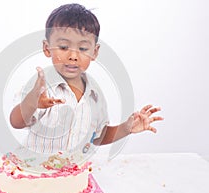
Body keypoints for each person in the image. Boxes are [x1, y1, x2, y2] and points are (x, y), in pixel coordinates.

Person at [10, 3, 163, 154]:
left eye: (83, 49)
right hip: (34, 171)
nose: (73, 56)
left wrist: (126, 128)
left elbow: (98, 136)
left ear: (94, 52)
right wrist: (32, 102)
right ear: (47, 48)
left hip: (74, 174)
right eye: (63, 47)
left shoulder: (94, 94)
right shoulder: (41, 88)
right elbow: (16, 122)